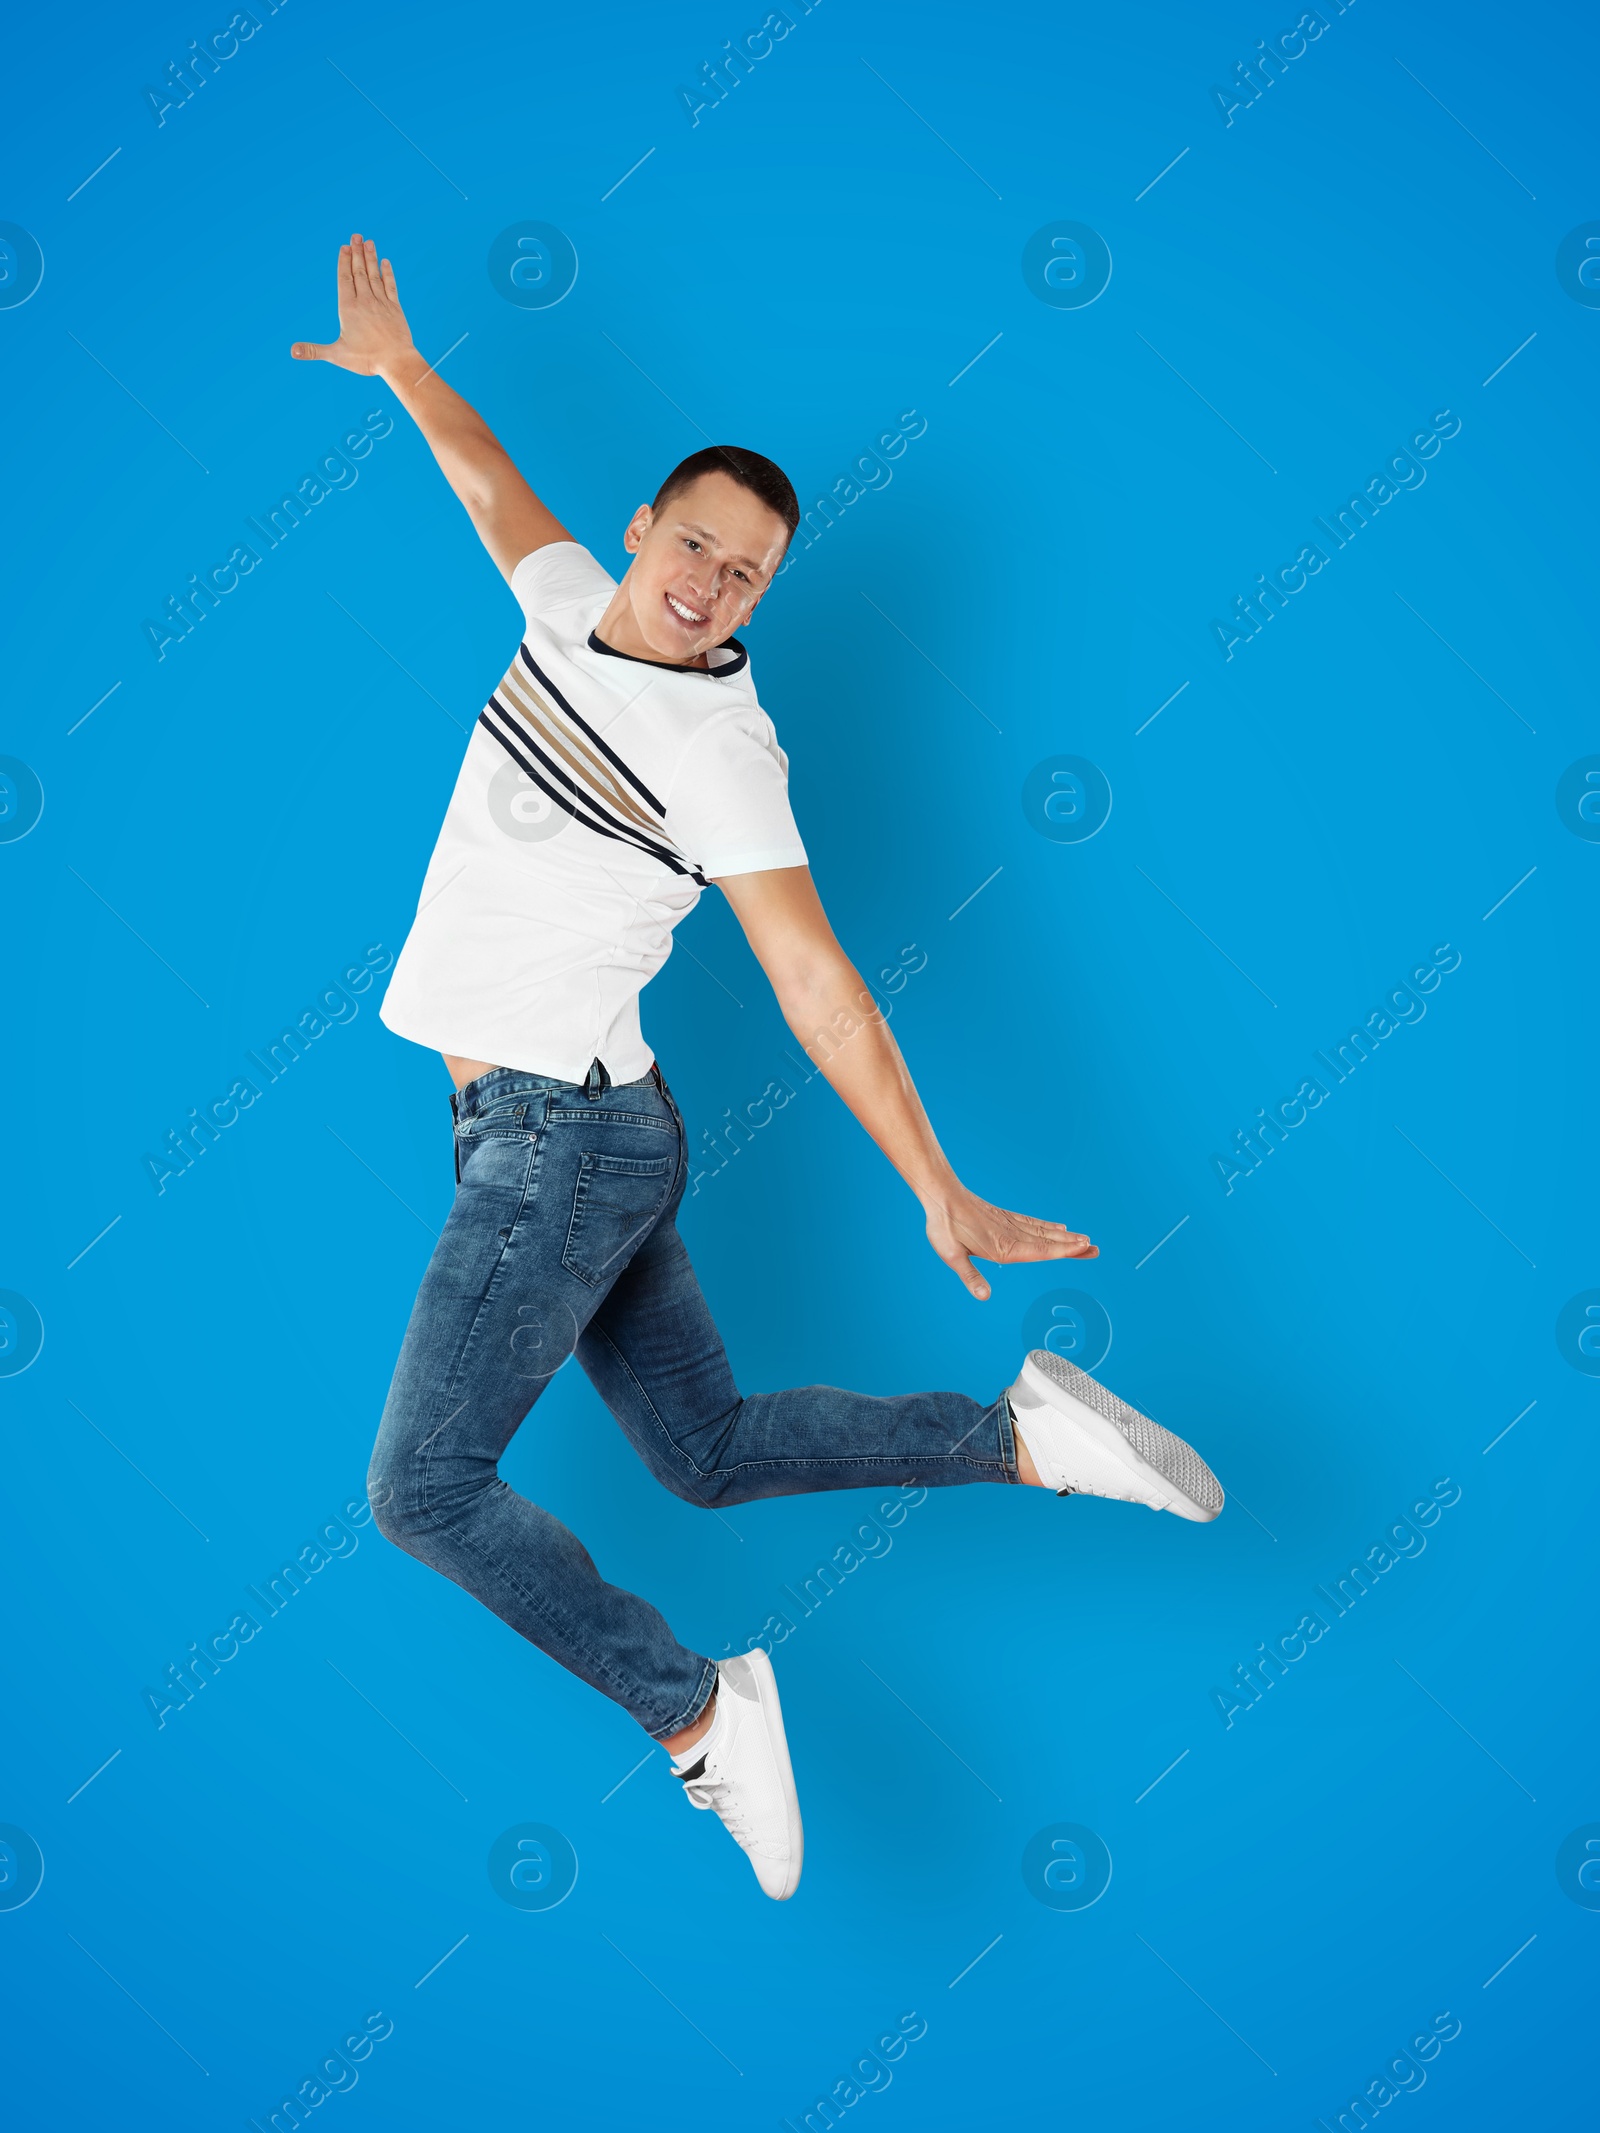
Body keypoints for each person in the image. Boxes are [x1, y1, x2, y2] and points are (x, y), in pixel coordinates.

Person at [291, 234, 1224, 1903]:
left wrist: (938, 1184)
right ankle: (1021, 1432)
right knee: (705, 1450)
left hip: (556, 1142)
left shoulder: (725, 752)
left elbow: (817, 981)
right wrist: (406, 372)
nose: (710, 586)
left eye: (749, 576)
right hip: (596, 1129)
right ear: (644, 529)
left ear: (764, 600)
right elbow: (498, 493)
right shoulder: (574, 603)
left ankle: (698, 1707)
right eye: (697, 545)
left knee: (420, 1489)